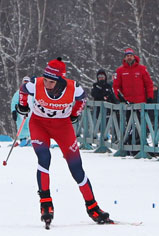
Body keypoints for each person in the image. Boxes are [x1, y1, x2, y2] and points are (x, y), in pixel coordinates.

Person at [15, 58, 114, 227]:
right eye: (45, 80)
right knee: (44, 158)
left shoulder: (74, 88)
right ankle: (46, 203)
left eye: (51, 82)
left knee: (76, 167)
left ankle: (92, 207)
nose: (46, 84)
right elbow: (23, 90)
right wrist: (23, 106)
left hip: (63, 127)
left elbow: (82, 99)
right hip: (39, 124)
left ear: (60, 80)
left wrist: (74, 114)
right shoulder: (35, 84)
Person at [9, 76, 32, 145]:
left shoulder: (32, 92)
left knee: (31, 126)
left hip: (31, 112)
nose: (26, 83)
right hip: (21, 112)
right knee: (21, 126)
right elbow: (14, 102)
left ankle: (32, 138)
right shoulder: (18, 92)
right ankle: (23, 139)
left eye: (27, 82)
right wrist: (13, 111)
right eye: (25, 82)